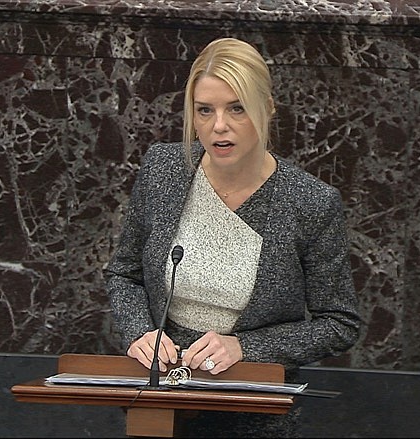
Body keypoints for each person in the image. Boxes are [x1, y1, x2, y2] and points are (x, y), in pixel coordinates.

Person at [104, 37, 361, 437]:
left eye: (236, 108)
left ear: (267, 110)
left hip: (253, 410)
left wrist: (245, 346)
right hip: (162, 401)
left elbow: (339, 323)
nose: (218, 126)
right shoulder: (164, 169)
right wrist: (141, 331)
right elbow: (125, 274)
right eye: (204, 110)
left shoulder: (310, 202)